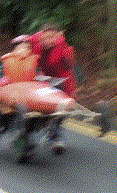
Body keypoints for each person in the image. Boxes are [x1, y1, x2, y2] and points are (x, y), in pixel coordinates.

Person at [19, 23, 79, 156]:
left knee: (60, 111)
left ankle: (55, 134)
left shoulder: (64, 48)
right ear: (40, 36)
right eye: (44, 37)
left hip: (63, 83)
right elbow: (25, 47)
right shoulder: (35, 44)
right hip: (44, 81)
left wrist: (62, 45)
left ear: (56, 37)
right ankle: (28, 139)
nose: (47, 41)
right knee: (33, 110)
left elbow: (70, 65)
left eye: (51, 38)